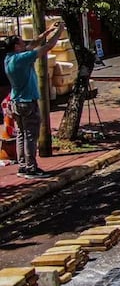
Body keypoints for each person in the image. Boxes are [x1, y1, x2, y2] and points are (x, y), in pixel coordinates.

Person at [4, 22, 66, 178]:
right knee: (31, 136)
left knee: (21, 134)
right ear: (16, 47)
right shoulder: (22, 58)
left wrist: (47, 31)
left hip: (15, 102)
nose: (24, 44)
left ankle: (23, 166)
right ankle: (32, 168)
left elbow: (32, 44)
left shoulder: (9, 58)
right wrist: (59, 32)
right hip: (27, 102)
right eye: (21, 42)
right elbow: (47, 47)